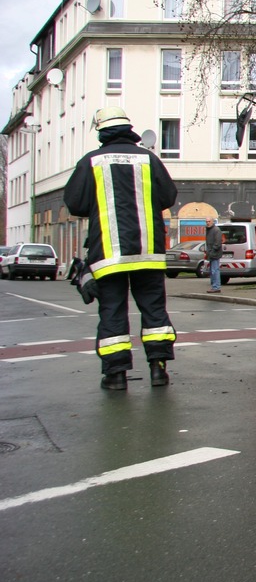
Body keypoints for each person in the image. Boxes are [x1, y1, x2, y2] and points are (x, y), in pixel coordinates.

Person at [64, 106, 178, 390]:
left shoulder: (91, 162)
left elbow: (75, 203)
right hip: (148, 253)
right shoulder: (149, 159)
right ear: (129, 129)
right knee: (154, 312)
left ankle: (116, 376)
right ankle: (158, 369)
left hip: (108, 255)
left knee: (112, 312)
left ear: (102, 131)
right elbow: (168, 196)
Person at [204, 217, 224, 293]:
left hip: (215, 253)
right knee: (212, 271)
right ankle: (214, 286)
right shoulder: (208, 230)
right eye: (206, 221)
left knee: (215, 270)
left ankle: (216, 287)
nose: (207, 223)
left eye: (209, 221)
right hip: (210, 253)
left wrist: (212, 251)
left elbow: (217, 243)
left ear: (212, 222)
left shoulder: (216, 230)